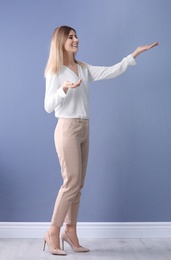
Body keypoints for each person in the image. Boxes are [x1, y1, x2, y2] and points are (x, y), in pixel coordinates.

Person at [43, 25, 158, 256]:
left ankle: (71, 231)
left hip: (84, 128)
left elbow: (111, 71)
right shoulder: (55, 71)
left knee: (79, 186)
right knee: (71, 183)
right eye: (70, 37)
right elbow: (48, 106)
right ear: (61, 43)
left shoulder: (83, 69)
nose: (76, 40)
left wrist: (133, 55)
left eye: (76, 36)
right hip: (66, 128)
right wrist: (63, 89)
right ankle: (53, 231)